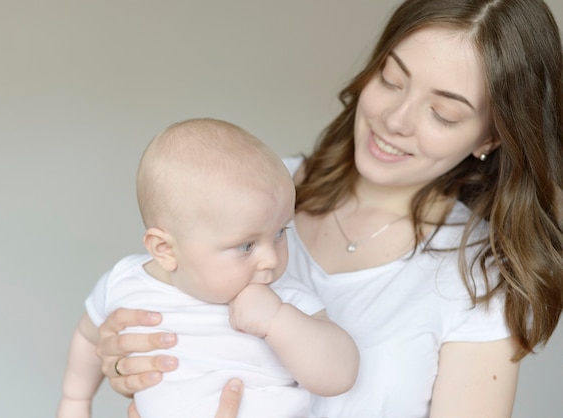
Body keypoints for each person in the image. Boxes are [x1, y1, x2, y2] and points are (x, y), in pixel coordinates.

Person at [99, 0, 563, 417]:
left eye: (442, 113)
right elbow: (151, 322)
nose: (394, 119)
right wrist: (124, 358)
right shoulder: (253, 193)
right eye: (391, 79)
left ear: (490, 136)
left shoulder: (478, 278)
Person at [57, 118, 359, 418]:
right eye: (246, 246)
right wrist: (76, 400)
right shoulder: (126, 283)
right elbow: (88, 336)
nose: (271, 259)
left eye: (280, 232)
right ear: (165, 250)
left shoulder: (282, 298)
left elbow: (340, 374)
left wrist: (278, 320)